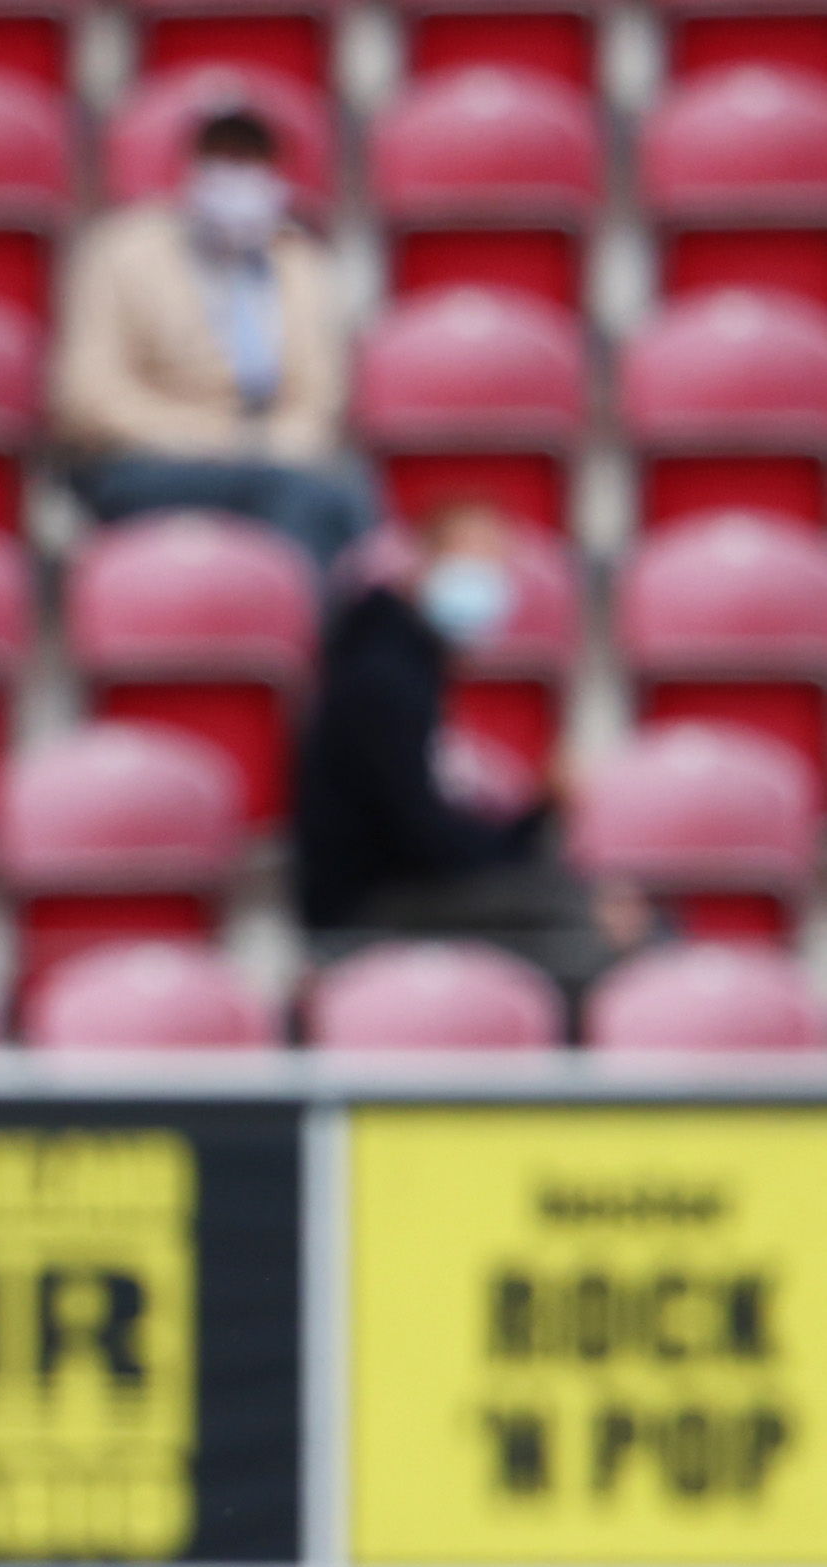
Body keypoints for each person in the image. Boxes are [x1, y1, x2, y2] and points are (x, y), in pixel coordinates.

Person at [294, 502, 622, 983]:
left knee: (599, 914)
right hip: (366, 908)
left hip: (399, 889)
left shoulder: (404, 663)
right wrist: (532, 833)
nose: (485, 580)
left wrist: (536, 819)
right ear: (422, 564)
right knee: (592, 929)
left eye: (496, 567)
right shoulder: (381, 677)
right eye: (469, 561)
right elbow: (423, 839)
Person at [52, 102, 368, 567]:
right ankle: (300, 632)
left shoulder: (302, 266)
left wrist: (272, 444)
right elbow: (89, 398)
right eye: (223, 159)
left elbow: (320, 395)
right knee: (309, 497)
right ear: (191, 168)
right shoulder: (121, 252)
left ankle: (290, 627)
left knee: (342, 491)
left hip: (270, 456)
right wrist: (219, 441)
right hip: (145, 460)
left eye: (251, 161)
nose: (237, 176)